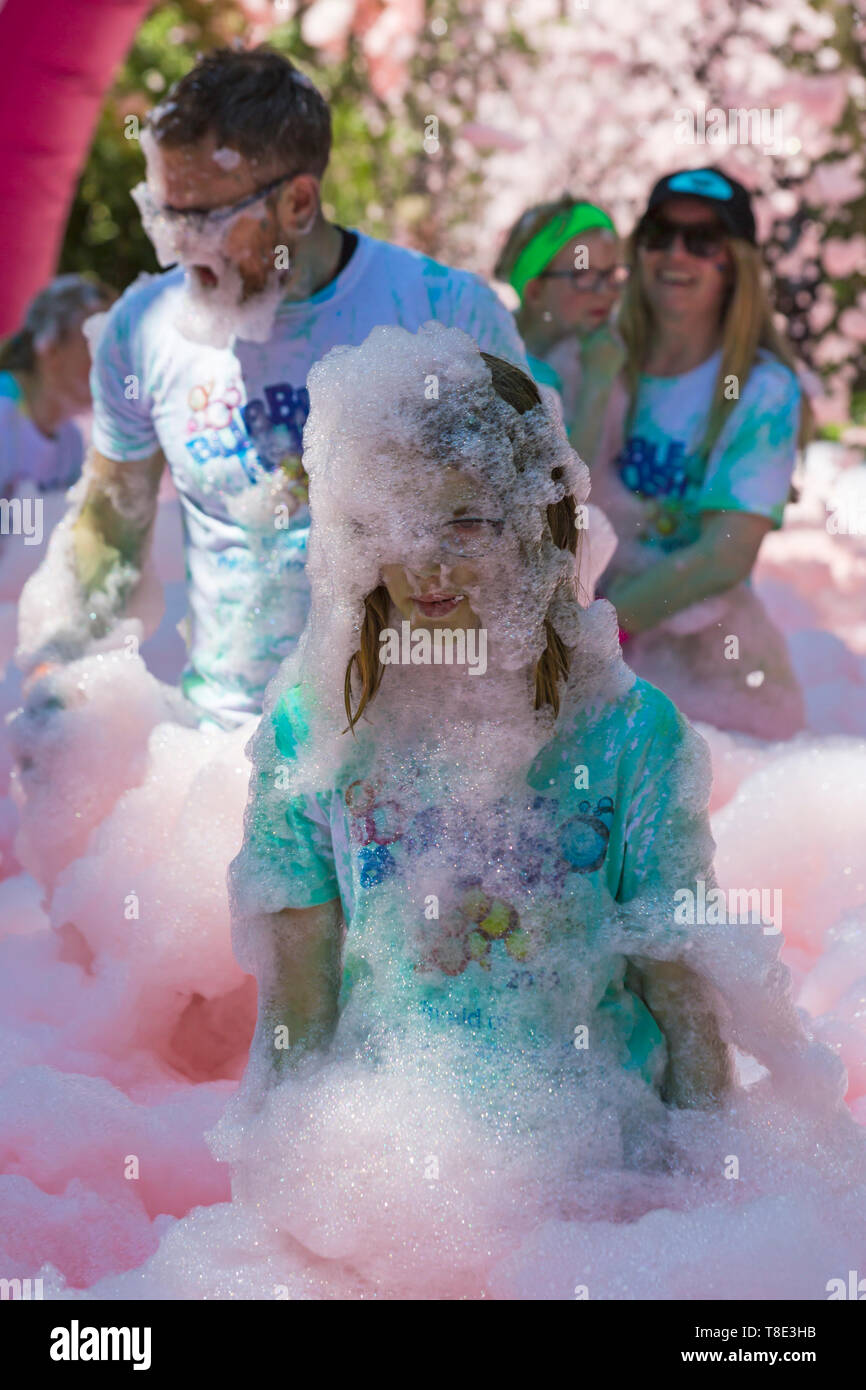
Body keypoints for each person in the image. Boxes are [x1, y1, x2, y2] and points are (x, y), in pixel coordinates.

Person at [230, 324, 733, 1132]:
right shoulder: (312, 733)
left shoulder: (631, 734)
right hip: (386, 1157)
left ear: (538, 525)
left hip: (602, 1159)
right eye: (397, 520)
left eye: (468, 522)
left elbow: (682, 997)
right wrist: (279, 1195)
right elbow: (297, 1020)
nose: (428, 562)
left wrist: (713, 1195)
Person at [16, 46, 526, 729]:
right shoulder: (143, 330)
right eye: (165, 216)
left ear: (298, 201)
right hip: (219, 749)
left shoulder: (445, 313)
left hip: (405, 749)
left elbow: (528, 535)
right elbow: (111, 522)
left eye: (203, 222)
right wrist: (60, 656)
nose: (179, 248)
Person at [589, 167, 809, 739]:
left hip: (708, 675)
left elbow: (724, 555)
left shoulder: (763, 389)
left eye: (702, 239)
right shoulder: (602, 358)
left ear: (733, 263)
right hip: (597, 659)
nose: (675, 253)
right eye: (659, 235)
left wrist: (597, 635)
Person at [494, 197, 627, 458]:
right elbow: (568, 485)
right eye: (583, 275)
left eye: (610, 274)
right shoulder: (500, 370)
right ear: (535, 291)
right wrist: (598, 381)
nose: (605, 292)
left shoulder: (592, 341)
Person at [0, 275, 114, 498]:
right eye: (96, 346)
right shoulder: (3, 412)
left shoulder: (70, 442)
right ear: (49, 349)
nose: (112, 365)